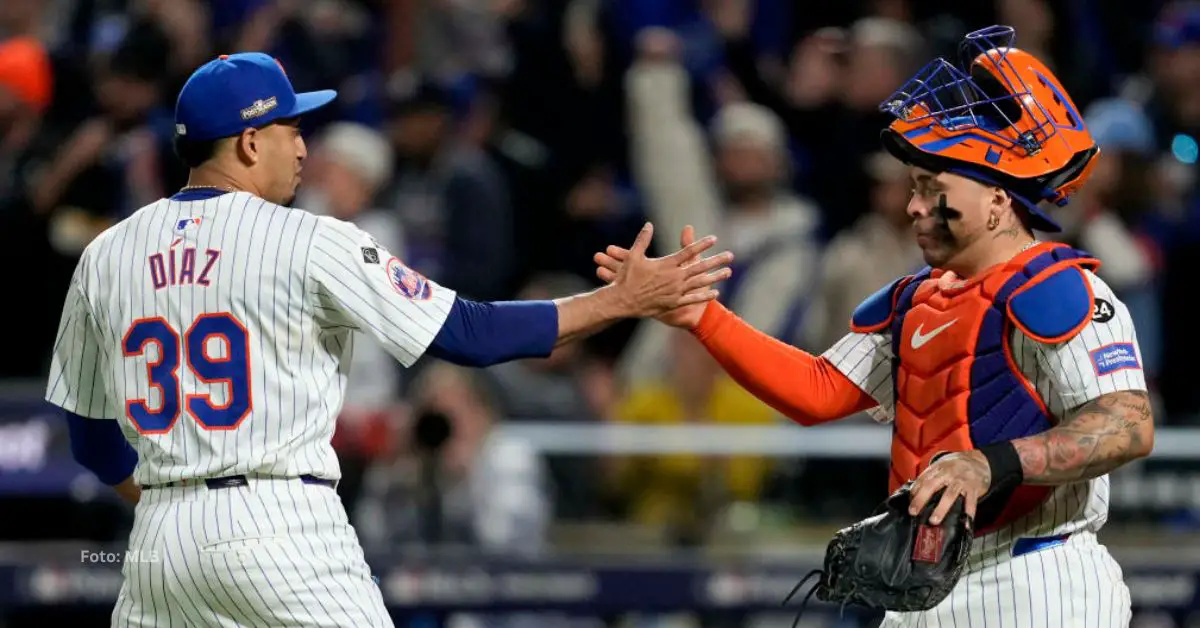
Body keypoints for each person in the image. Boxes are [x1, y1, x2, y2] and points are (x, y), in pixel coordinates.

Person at [44, 52, 732, 628]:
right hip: (281, 523)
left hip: (161, 543)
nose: (304, 145)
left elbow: (91, 442)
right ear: (251, 141)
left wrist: (181, 500)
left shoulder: (106, 254)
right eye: (291, 127)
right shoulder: (308, 238)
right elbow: (470, 334)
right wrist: (621, 299)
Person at [596, 26, 1153, 626]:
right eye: (914, 187)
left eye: (932, 188)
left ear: (996, 198)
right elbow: (816, 391)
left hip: (1039, 578)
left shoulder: (1062, 290)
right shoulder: (914, 299)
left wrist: (992, 462)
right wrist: (702, 316)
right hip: (927, 585)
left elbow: (1128, 423)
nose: (914, 206)